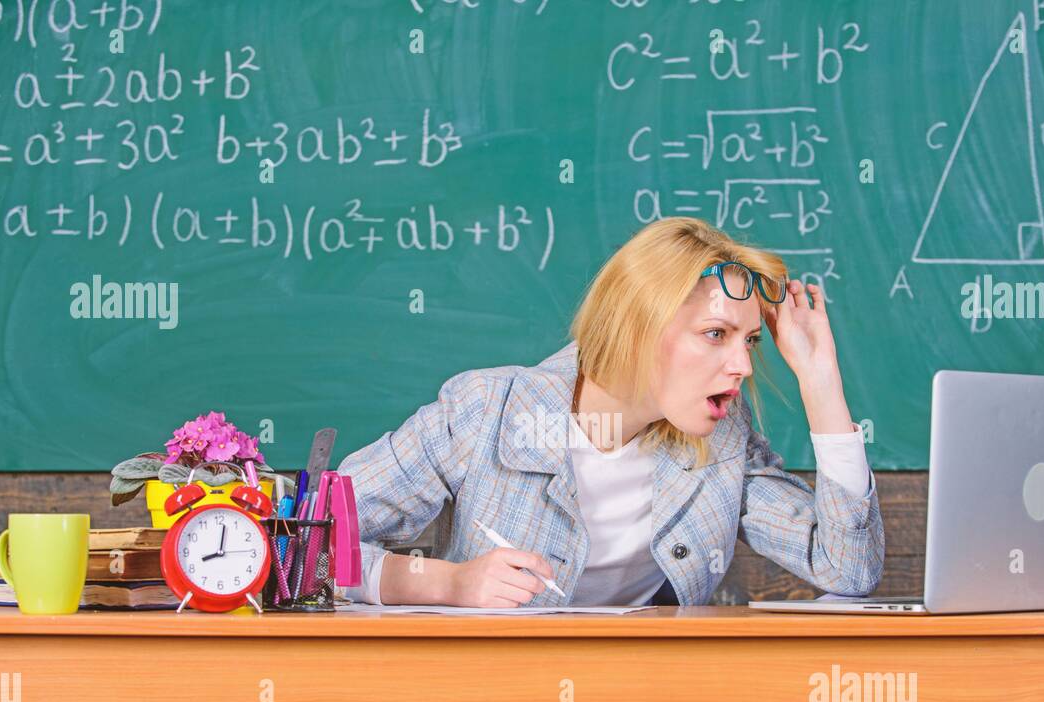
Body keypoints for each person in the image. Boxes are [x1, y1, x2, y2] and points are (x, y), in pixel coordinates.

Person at [337, 216, 884, 607]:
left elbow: (848, 567)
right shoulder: (487, 412)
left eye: (751, 342)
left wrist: (820, 379)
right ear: (638, 327)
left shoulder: (722, 442)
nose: (741, 364)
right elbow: (304, 541)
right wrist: (445, 584)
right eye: (715, 334)